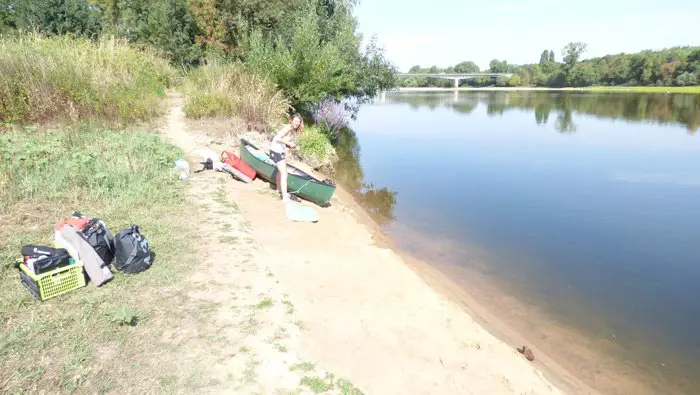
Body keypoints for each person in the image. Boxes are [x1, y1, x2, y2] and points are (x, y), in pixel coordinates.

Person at [269, 114, 304, 203]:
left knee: (280, 171)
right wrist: (289, 143)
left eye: (298, 122)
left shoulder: (291, 129)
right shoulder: (288, 128)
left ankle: (278, 189)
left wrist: (287, 147)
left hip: (278, 151)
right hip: (275, 151)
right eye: (295, 121)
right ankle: (284, 198)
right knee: (284, 173)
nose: (297, 123)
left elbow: (282, 140)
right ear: (291, 120)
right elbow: (277, 138)